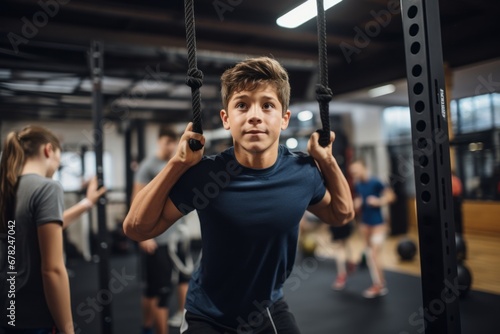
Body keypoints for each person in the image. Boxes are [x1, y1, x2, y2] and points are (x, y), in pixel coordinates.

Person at [123, 56, 354, 333]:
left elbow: (342, 215)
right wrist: (178, 163)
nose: (254, 115)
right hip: (207, 315)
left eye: (267, 105)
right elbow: (137, 228)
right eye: (242, 105)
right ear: (226, 119)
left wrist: (327, 161)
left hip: (268, 308)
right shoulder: (206, 175)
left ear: (284, 119)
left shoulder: (302, 173)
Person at [0, 125, 105, 334]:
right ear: (49, 150)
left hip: (7, 311)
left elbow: (34, 230)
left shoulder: (8, 187)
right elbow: (53, 270)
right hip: (33, 316)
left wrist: (87, 203)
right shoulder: (47, 187)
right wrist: (68, 330)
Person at [133, 127, 192, 334]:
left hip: (177, 236)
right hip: (157, 239)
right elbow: (136, 202)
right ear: (159, 141)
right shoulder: (147, 167)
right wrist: (143, 237)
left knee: (185, 278)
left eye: (173, 142)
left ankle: (181, 315)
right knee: (158, 291)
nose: (171, 146)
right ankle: (149, 326)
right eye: (167, 142)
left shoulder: (176, 163)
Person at [348, 160, 395, 298]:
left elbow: (391, 197)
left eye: (356, 170)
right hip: (365, 223)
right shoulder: (357, 184)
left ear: (364, 168)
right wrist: (357, 203)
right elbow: (360, 199)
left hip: (378, 224)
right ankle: (379, 281)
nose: (354, 173)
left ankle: (379, 285)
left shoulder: (376, 182)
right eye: (352, 172)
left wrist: (378, 201)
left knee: (374, 255)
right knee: (370, 255)